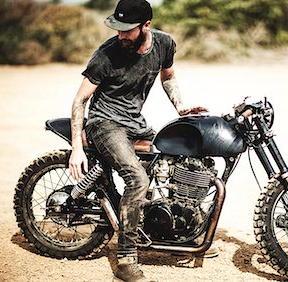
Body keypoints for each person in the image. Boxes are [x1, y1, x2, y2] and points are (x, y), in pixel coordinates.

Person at [68, 0, 208, 281]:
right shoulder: (106, 55)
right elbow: (80, 100)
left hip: (136, 124)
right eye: (117, 29)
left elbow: (168, 77)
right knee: (137, 179)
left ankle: (178, 232)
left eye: (127, 30)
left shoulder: (165, 44)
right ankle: (126, 259)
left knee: (178, 159)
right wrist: (76, 149)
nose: (120, 36)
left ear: (146, 26)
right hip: (105, 123)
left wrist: (180, 106)